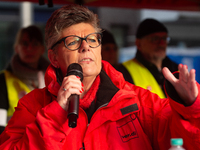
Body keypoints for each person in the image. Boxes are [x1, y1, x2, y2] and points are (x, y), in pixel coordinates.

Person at [0, 4, 199, 150]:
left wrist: (191, 107)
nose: (86, 46)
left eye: (92, 39)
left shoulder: (139, 102)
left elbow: (188, 142)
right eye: (73, 42)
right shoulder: (32, 106)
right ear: (53, 57)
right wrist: (55, 114)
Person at [0, 25, 49, 134]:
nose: (30, 48)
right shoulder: (3, 80)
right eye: (25, 44)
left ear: (42, 49)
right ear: (16, 48)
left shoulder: (53, 79)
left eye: (35, 44)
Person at [117, 18, 178, 98]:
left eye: (164, 38)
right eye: (155, 39)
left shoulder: (177, 70)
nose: (161, 43)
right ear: (139, 44)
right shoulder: (122, 73)